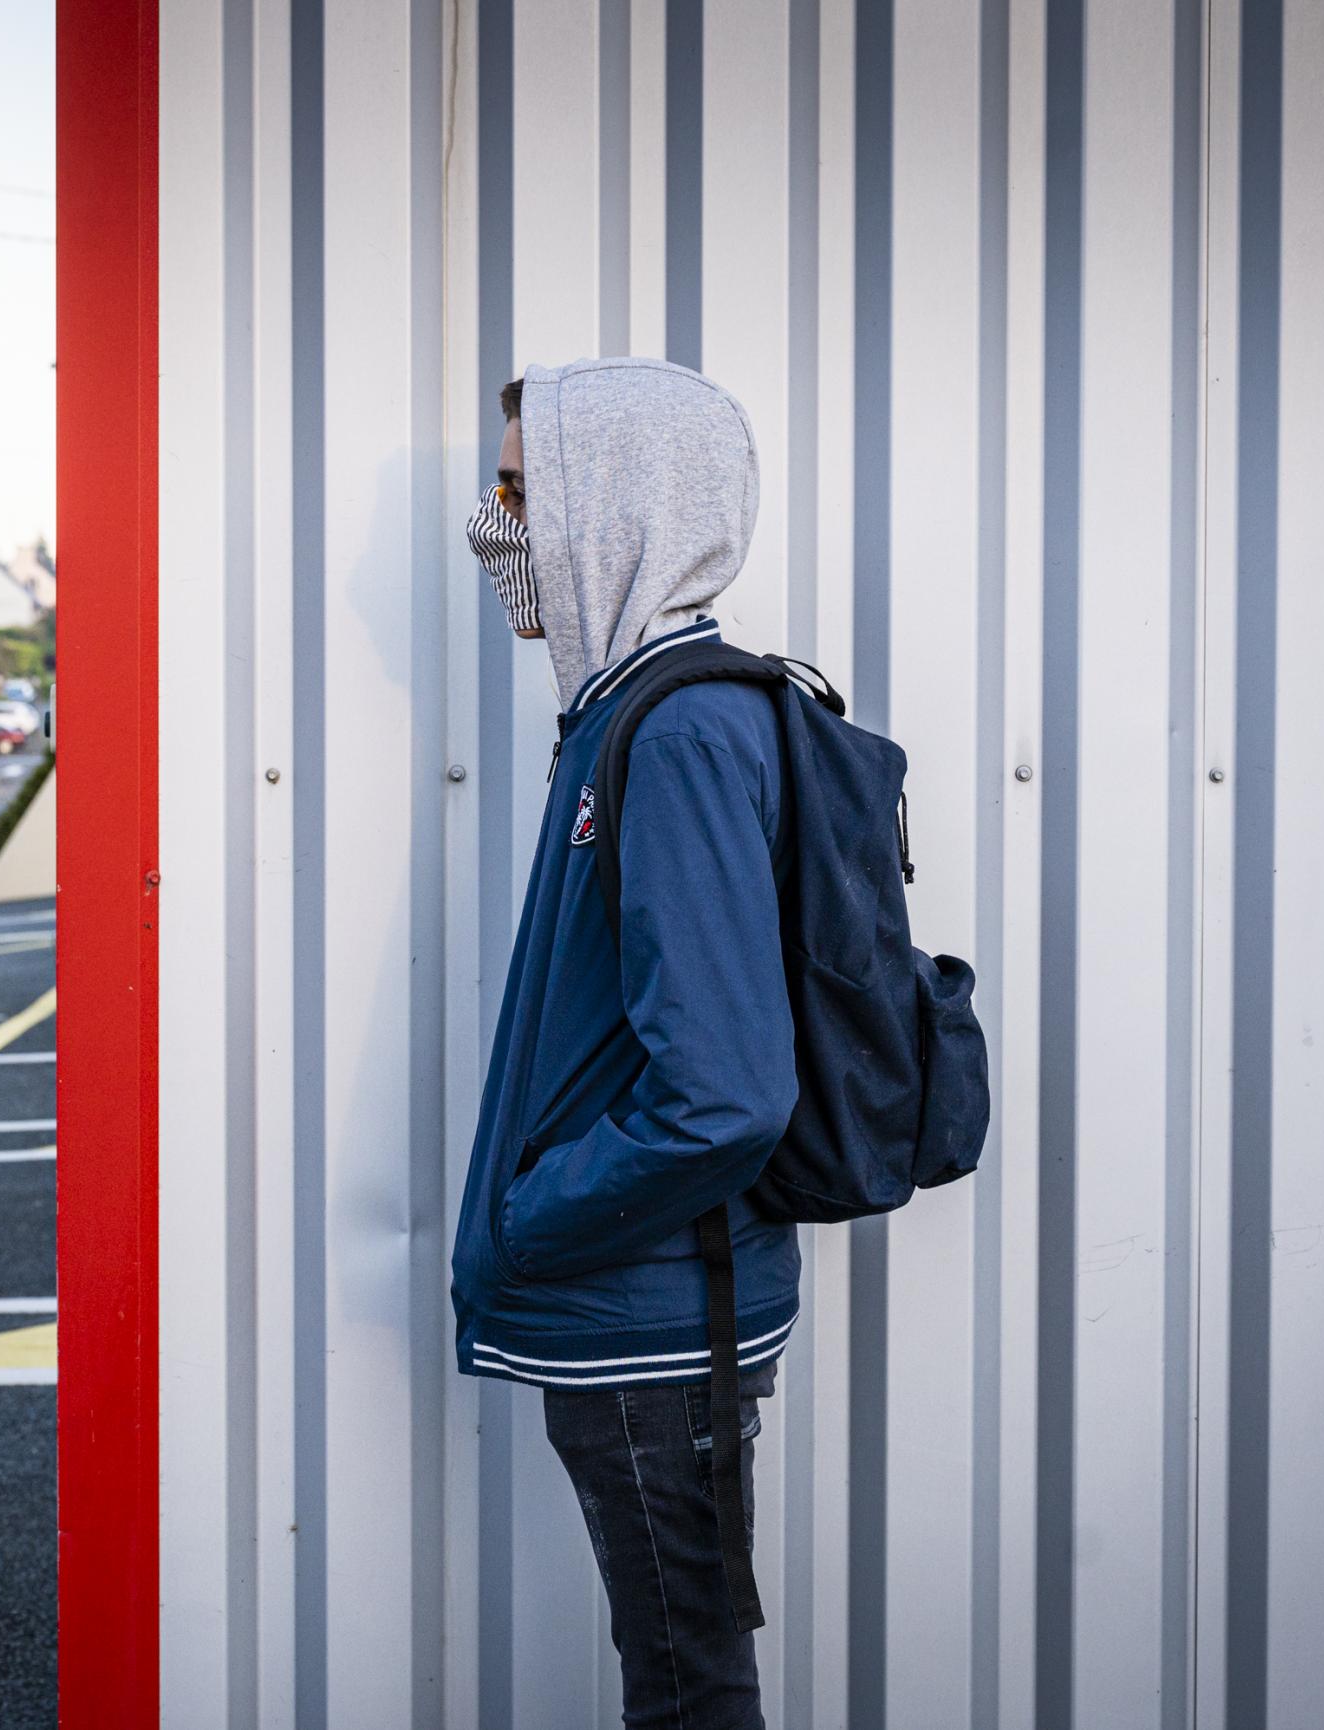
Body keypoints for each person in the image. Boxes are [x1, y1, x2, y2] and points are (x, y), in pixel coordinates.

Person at [450, 357, 794, 1730]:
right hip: (639, 1309)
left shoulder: (684, 730)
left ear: (619, 499)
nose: (500, 522)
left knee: (687, 1692)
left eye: (526, 488)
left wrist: (533, 1222)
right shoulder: (624, 713)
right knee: (681, 1679)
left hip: (647, 1320)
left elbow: (727, 1093)